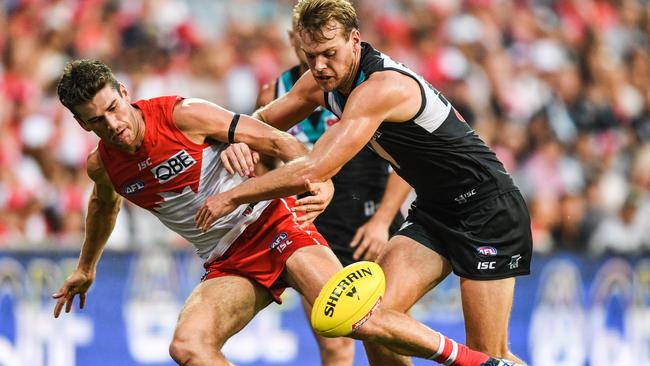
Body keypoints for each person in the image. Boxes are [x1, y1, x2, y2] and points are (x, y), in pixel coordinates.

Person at [51, 59, 517, 366]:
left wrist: (316, 180)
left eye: (113, 107)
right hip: (228, 261)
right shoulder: (103, 165)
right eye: (96, 120)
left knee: (357, 325)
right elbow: (102, 206)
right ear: (80, 123)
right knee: (188, 347)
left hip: (278, 225)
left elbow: (280, 141)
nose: (112, 124)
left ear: (124, 91)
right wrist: (86, 267)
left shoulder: (181, 114)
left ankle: (482, 364)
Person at [194, 0, 533, 365]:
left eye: (329, 53)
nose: (320, 66)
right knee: (369, 320)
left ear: (355, 40)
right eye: (311, 56)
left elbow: (313, 169)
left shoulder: (381, 87)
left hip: (487, 209)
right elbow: (262, 120)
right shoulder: (320, 80)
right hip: (436, 210)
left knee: (488, 356)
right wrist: (231, 137)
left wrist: (233, 196)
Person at [222, 12, 411, 366]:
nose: (315, 57)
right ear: (293, 37)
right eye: (305, 43)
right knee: (335, 339)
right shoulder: (274, 93)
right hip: (313, 229)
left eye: (326, 48)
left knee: (386, 339)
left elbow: (406, 161)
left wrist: (383, 220)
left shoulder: (367, 86)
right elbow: (260, 160)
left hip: (367, 223)